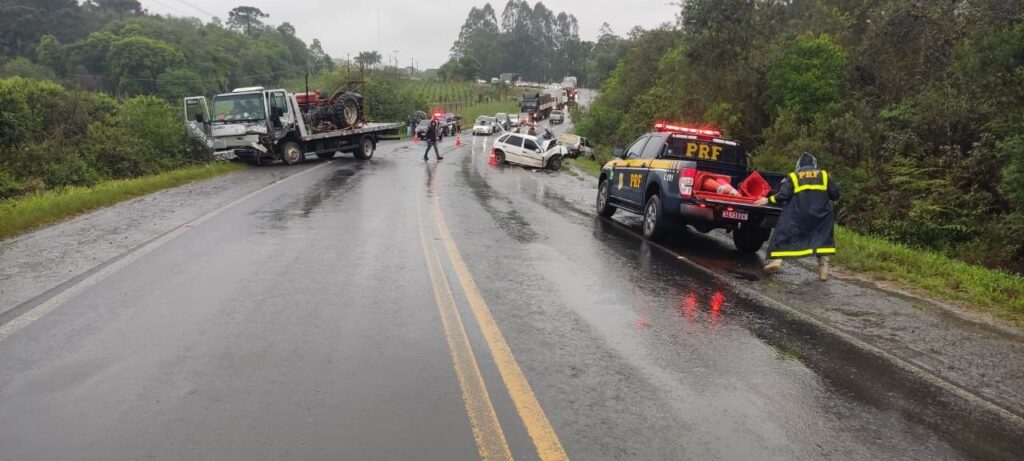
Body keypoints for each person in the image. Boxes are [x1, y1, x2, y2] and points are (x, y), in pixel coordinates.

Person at [754, 152, 840, 281]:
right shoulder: (824, 175)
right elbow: (835, 195)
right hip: (822, 215)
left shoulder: (794, 177)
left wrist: (768, 199)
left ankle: (777, 260)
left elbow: (783, 195)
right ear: (814, 164)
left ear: (799, 164)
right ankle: (823, 269)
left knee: (784, 232)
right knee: (822, 237)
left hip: (800, 214)